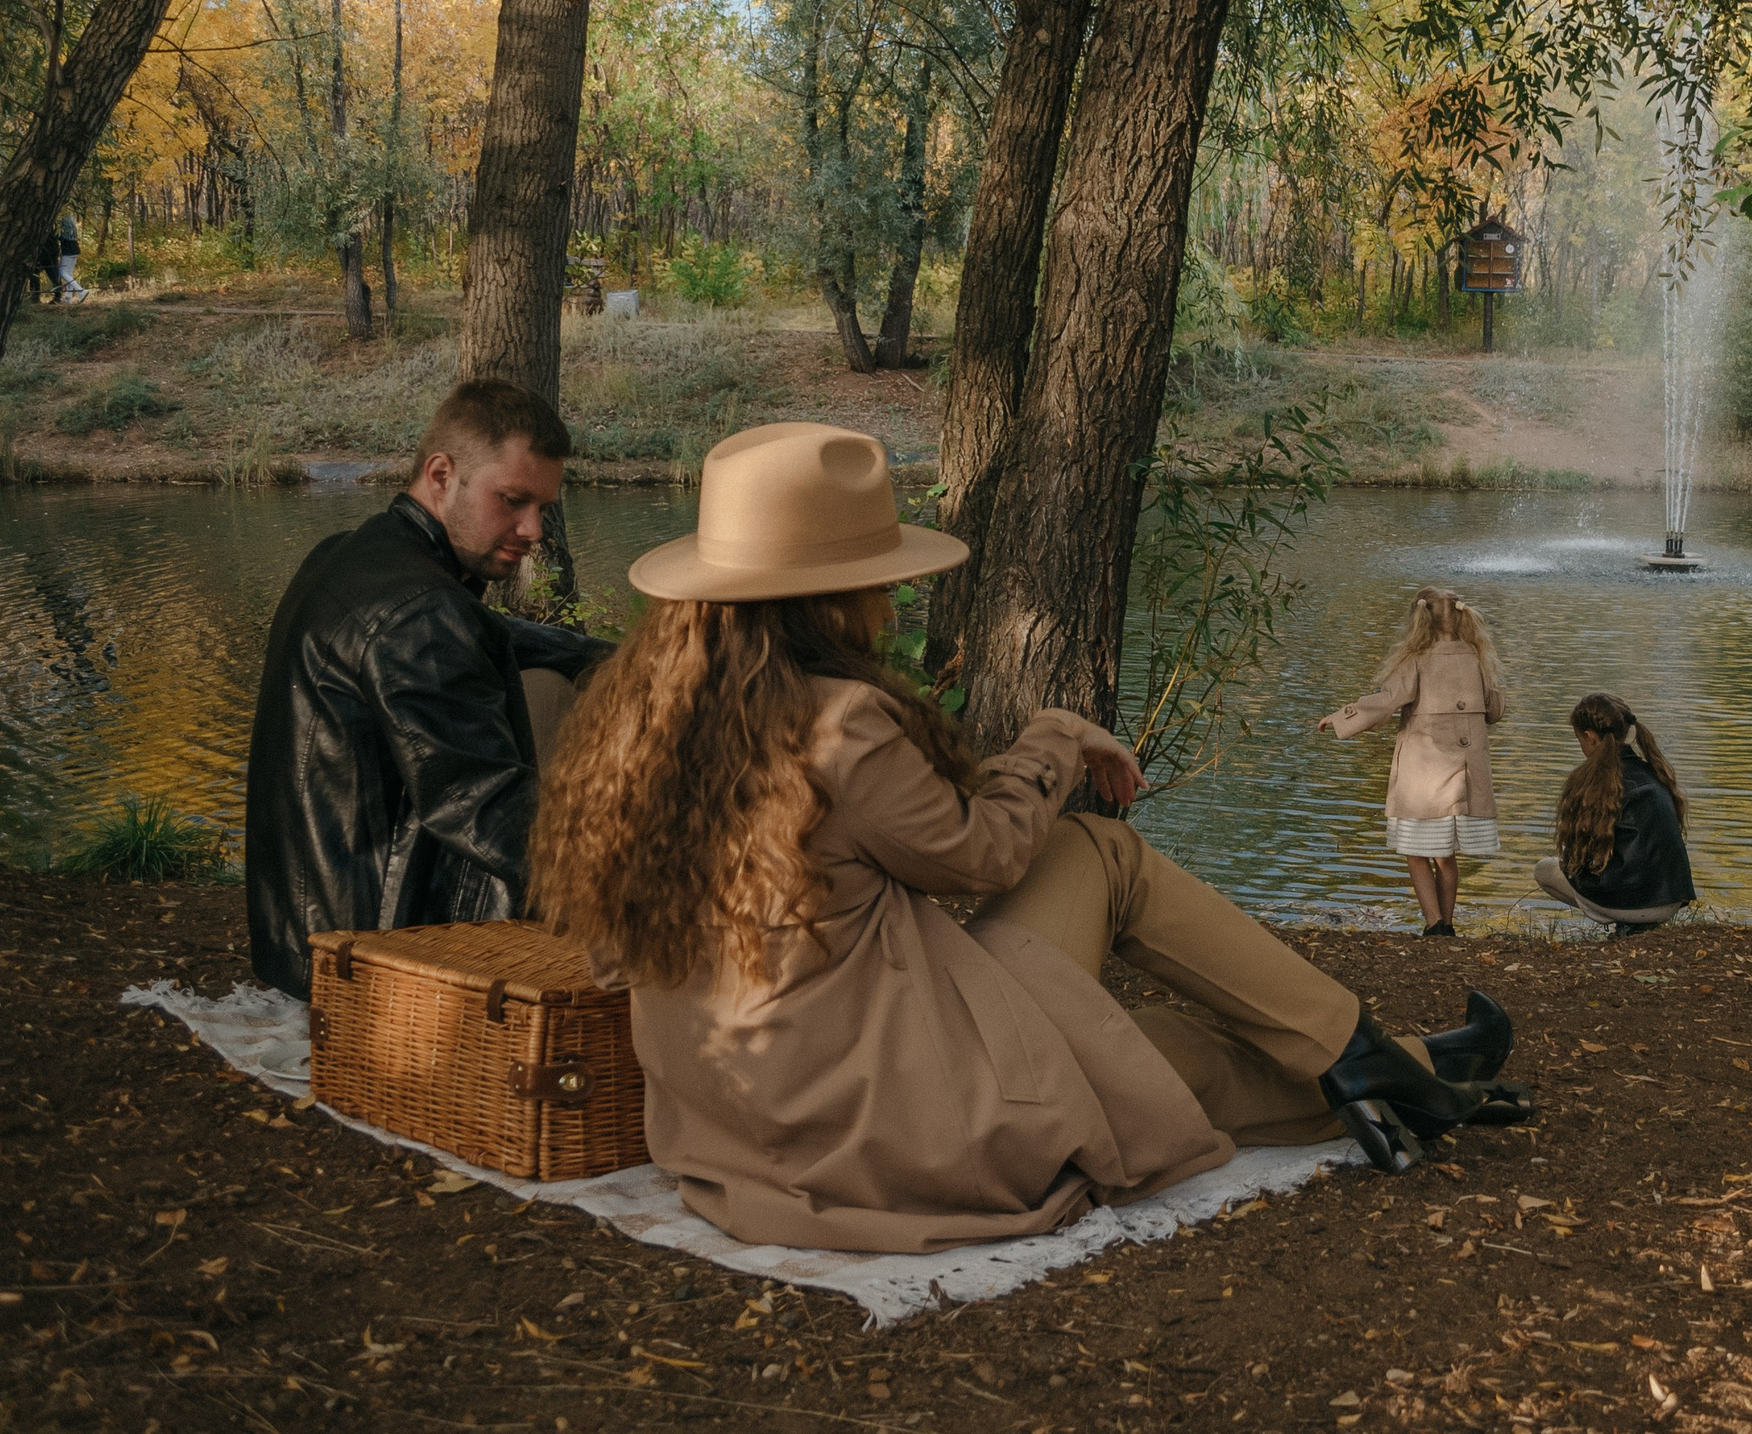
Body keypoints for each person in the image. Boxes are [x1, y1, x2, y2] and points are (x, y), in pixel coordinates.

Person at [530, 423, 1531, 1254]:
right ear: (829, 596)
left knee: (1104, 906)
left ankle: (1381, 1055)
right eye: (878, 581)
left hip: (741, 1115)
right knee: (1158, 1051)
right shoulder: (836, 723)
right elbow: (982, 857)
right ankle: (1391, 1061)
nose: (890, 602)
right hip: (902, 1122)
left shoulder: (640, 724)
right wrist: (1053, 734)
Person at [243, 380, 611, 998]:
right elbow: (488, 810)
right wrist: (650, 885)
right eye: (514, 500)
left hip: (295, 940)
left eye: (543, 508)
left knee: (552, 676)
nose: (534, 530)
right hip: (365, 959)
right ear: (442, 475)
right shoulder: (424, 617)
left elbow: (490, 634)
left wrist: (619, 661)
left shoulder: (352, 556)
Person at [1315, 587, 1506, 937]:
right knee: (1447, 856)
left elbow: (1385, 702)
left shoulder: (1416, 659)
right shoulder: (1478, 657)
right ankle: (1448, 925)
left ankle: (1434, 925)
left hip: (1425, 780)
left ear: (1419, 619)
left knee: (1418, 854)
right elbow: (1495, 711)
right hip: (1465, 776)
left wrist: (1340, 718)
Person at [1532, 693, 1696, 934]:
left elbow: (1581, 856)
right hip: (1671, 899)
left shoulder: (1591, 780)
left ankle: (1626, 921)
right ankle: (1637, 925)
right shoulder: (1655, 772)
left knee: (1544, 869)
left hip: (1630, 902)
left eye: (1579, 739)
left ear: (1589, 736)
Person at [53, 213, 86, 301]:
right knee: (69, 274)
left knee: (63, 272)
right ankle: (68, 298)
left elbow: (58, 236)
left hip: (68, 251)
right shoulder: (71, 222)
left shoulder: (63, 224)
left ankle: (80, 290)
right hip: (75, 248)